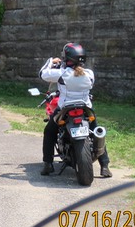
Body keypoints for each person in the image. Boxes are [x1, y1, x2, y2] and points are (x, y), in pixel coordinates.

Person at [38, 43, 112, 177]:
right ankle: (104, 166)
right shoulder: (90, 74)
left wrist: (50, 61)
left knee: (49, 132)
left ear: (66, 58)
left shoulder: (62, 73)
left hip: (65, 109)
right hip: (85, 109)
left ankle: (48, 164)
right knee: (96, 132)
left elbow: (42, 74)